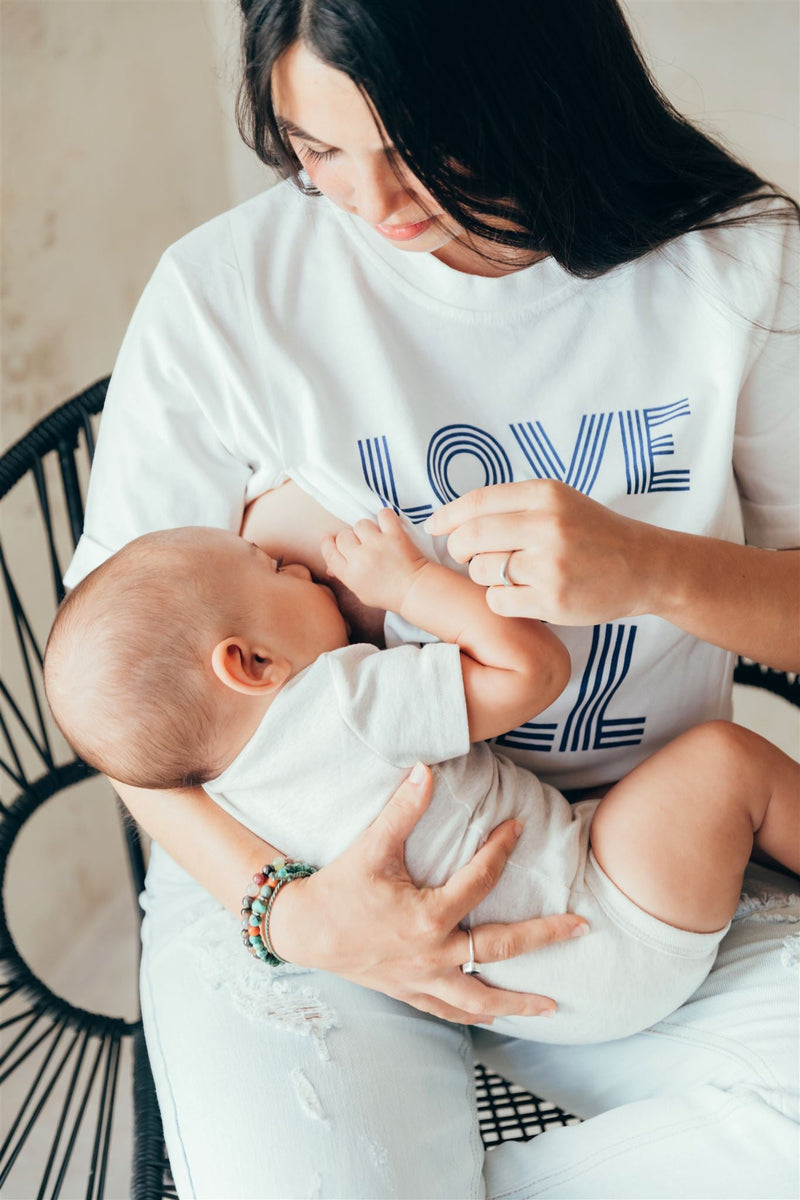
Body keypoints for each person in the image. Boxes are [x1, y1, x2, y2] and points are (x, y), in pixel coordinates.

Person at [62, 1, 799, 1195]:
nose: (376, 204)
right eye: (318, 152)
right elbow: (128, 717)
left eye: (424, 149)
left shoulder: (733, 263)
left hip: (617, 857)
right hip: (296, 865)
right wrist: (287, 917)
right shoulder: (223, 297)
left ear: (541, 89)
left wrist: (659, 569)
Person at [46, 514, 800, 1047]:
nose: (304, 569)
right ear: (252, 664)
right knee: (727, 763)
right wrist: (408, 583)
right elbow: (535, 670)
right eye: (275, 571)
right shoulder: (341, 704)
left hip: (525, 1002)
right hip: (606, 922)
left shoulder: (230, 789)